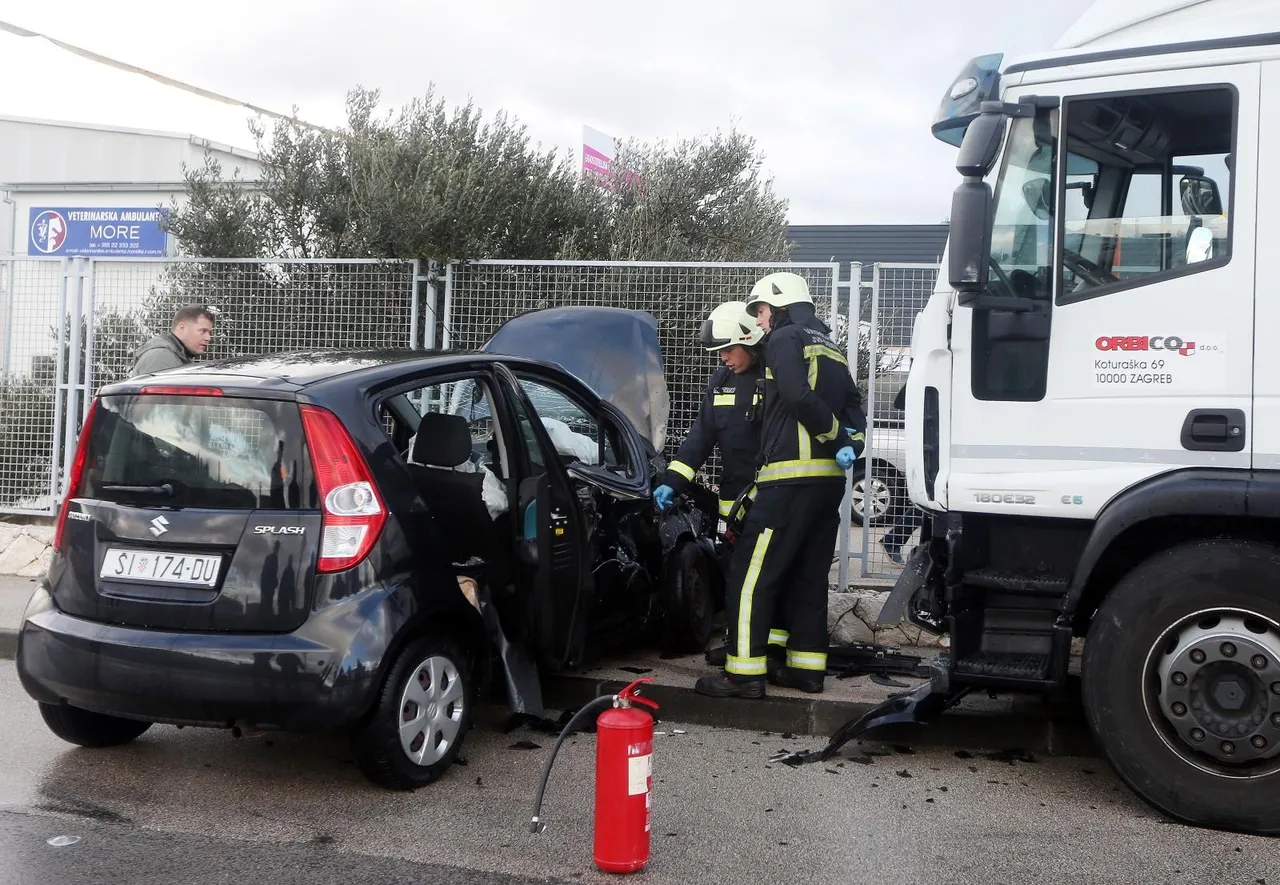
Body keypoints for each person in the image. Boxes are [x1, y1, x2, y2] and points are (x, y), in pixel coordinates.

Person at [695, 271, 865, 699]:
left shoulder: (785, 340)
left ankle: (743, 676)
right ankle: (807, 672)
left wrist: (835, 437)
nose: (761, 322)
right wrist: (850, 445)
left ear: (781, 306)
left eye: (763, 311)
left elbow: (793, 395)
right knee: (809, 578)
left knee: (750, 576)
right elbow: (855, 409)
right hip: (829, 485)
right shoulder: (834, 349)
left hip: (788, 480)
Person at [651, 301, 788, 670]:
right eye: (718, 352)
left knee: (773, 575)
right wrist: (673, 480)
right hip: (734, 500)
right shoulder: (720, 381)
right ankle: (739, 644)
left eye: (729, 349)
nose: (724, 358)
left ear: (750, 337)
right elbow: (701, 437)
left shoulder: (776, 375)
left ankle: (771, 650)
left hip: (772, 495)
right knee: (735, 575)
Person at [880, 381, 923, 564]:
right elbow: (900, 402)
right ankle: (894, 542)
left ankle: (894, 541)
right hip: (931, 444)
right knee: (929, 506)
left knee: (930, 508)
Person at [129, 304, 217, 377]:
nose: (208, 338)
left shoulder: (175, 355)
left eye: (209, 333)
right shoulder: (161, 357)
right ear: (182, 328)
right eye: (203, 331)